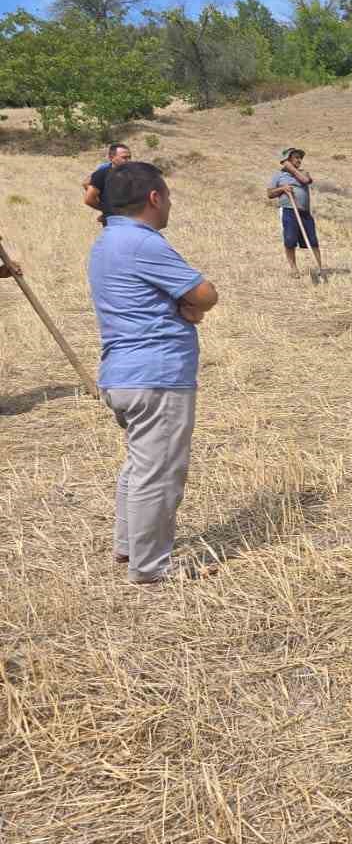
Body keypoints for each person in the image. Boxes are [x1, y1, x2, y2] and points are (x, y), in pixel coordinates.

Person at [88, 162, 219, 585]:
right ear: (154, 197)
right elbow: (204, 293)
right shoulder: (146, 244)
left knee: (139, 466)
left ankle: (130, 547)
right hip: (157, 374)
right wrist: (191, 308)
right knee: (159, 473)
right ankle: (151, 566)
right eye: (168, 195)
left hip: (122, 374)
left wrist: (184, 308)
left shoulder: (105, 241)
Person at [267, 148, 317, 278]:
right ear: (287, 159)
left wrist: (291, 169)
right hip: (288, 210)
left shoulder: (303, 173)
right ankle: (294, 269)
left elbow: (306, 181)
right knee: (290, 240)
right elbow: (270, 193)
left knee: (313, 241)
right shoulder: (278, 176)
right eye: (296, 157)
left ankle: (319, 267)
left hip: (304, 212)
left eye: (300, 157)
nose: (299, 160)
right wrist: (282, 188)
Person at [83, 142, 132, 224]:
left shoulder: (133, 173)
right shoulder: (102, 172)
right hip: (114, 223)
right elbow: (88, 196)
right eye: (124, 158)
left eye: (129, 157)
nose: (128, 161)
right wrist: (106, 210)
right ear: (111, 158)